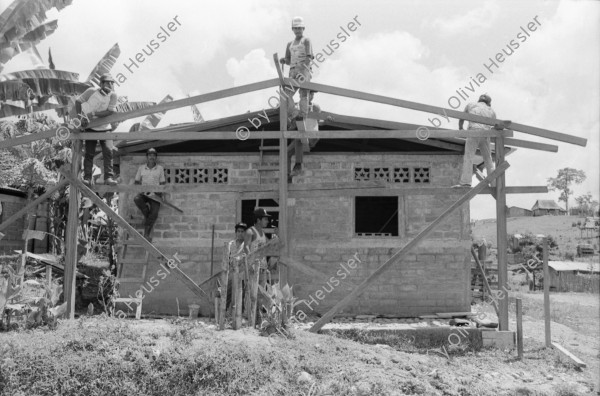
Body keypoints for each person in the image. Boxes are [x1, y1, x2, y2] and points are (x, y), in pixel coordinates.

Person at [76, 73, 119, 186]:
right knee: (89, 153)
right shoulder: (91, 91)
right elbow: (78, 102)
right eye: (107, 82)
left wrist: (94, 113)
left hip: (105, 128)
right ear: (101, 83)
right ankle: (87, 178)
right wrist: (81, 118)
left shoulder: (113, 96)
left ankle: (108, 177)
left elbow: (110, 111)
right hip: (90, 127)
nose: (110, 85)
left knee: (108, 151)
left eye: (111, 83)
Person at [453, 94, 497, 188]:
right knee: (488, 159)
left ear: (479, 100)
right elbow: (495, 126)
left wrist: (461, 128)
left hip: (473, 132)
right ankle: (494, 184)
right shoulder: (491, 110)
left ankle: (466, 182)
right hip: (485, 134)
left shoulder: (471, 105)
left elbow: (462, 118)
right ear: (489, 103)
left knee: (469, 157)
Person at [279, 16, 314, 124]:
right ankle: (294, 113)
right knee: (286, 94)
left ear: (303, 28)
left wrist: (303, 69)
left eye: (300, 28)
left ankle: (302, 115)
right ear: (292, 29)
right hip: (293, 70)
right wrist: (284, 61)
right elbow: (288, 60)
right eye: (296, 28)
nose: (298, 30)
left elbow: (309, 57)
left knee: (303, 93)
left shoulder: (306, 40)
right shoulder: (290, 44)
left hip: (304, 70)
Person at [133, 148, 166, 241]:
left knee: (154, 213)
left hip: (156, 194)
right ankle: (148, 217)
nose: (152, 157)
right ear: (147, 157)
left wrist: (161, 194)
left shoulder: (160, 168)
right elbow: (136, 181)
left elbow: (162, 183)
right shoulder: (141, 168)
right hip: (144, 193)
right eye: (150, 155)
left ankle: (146, 234)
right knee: (137, 199)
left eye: (153, 155)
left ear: (156, 157)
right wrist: (143, 190)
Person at [226, 222, 248, 311]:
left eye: (242, 231)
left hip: (242, 274)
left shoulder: (247, 245)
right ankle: (224, 314)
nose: (240, 233)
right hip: (231, 272)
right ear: (236, 232)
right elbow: (226, 257)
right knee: (228, 293)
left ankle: (240, 315)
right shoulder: (230, 244)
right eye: (238, 231)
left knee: (241, 294)